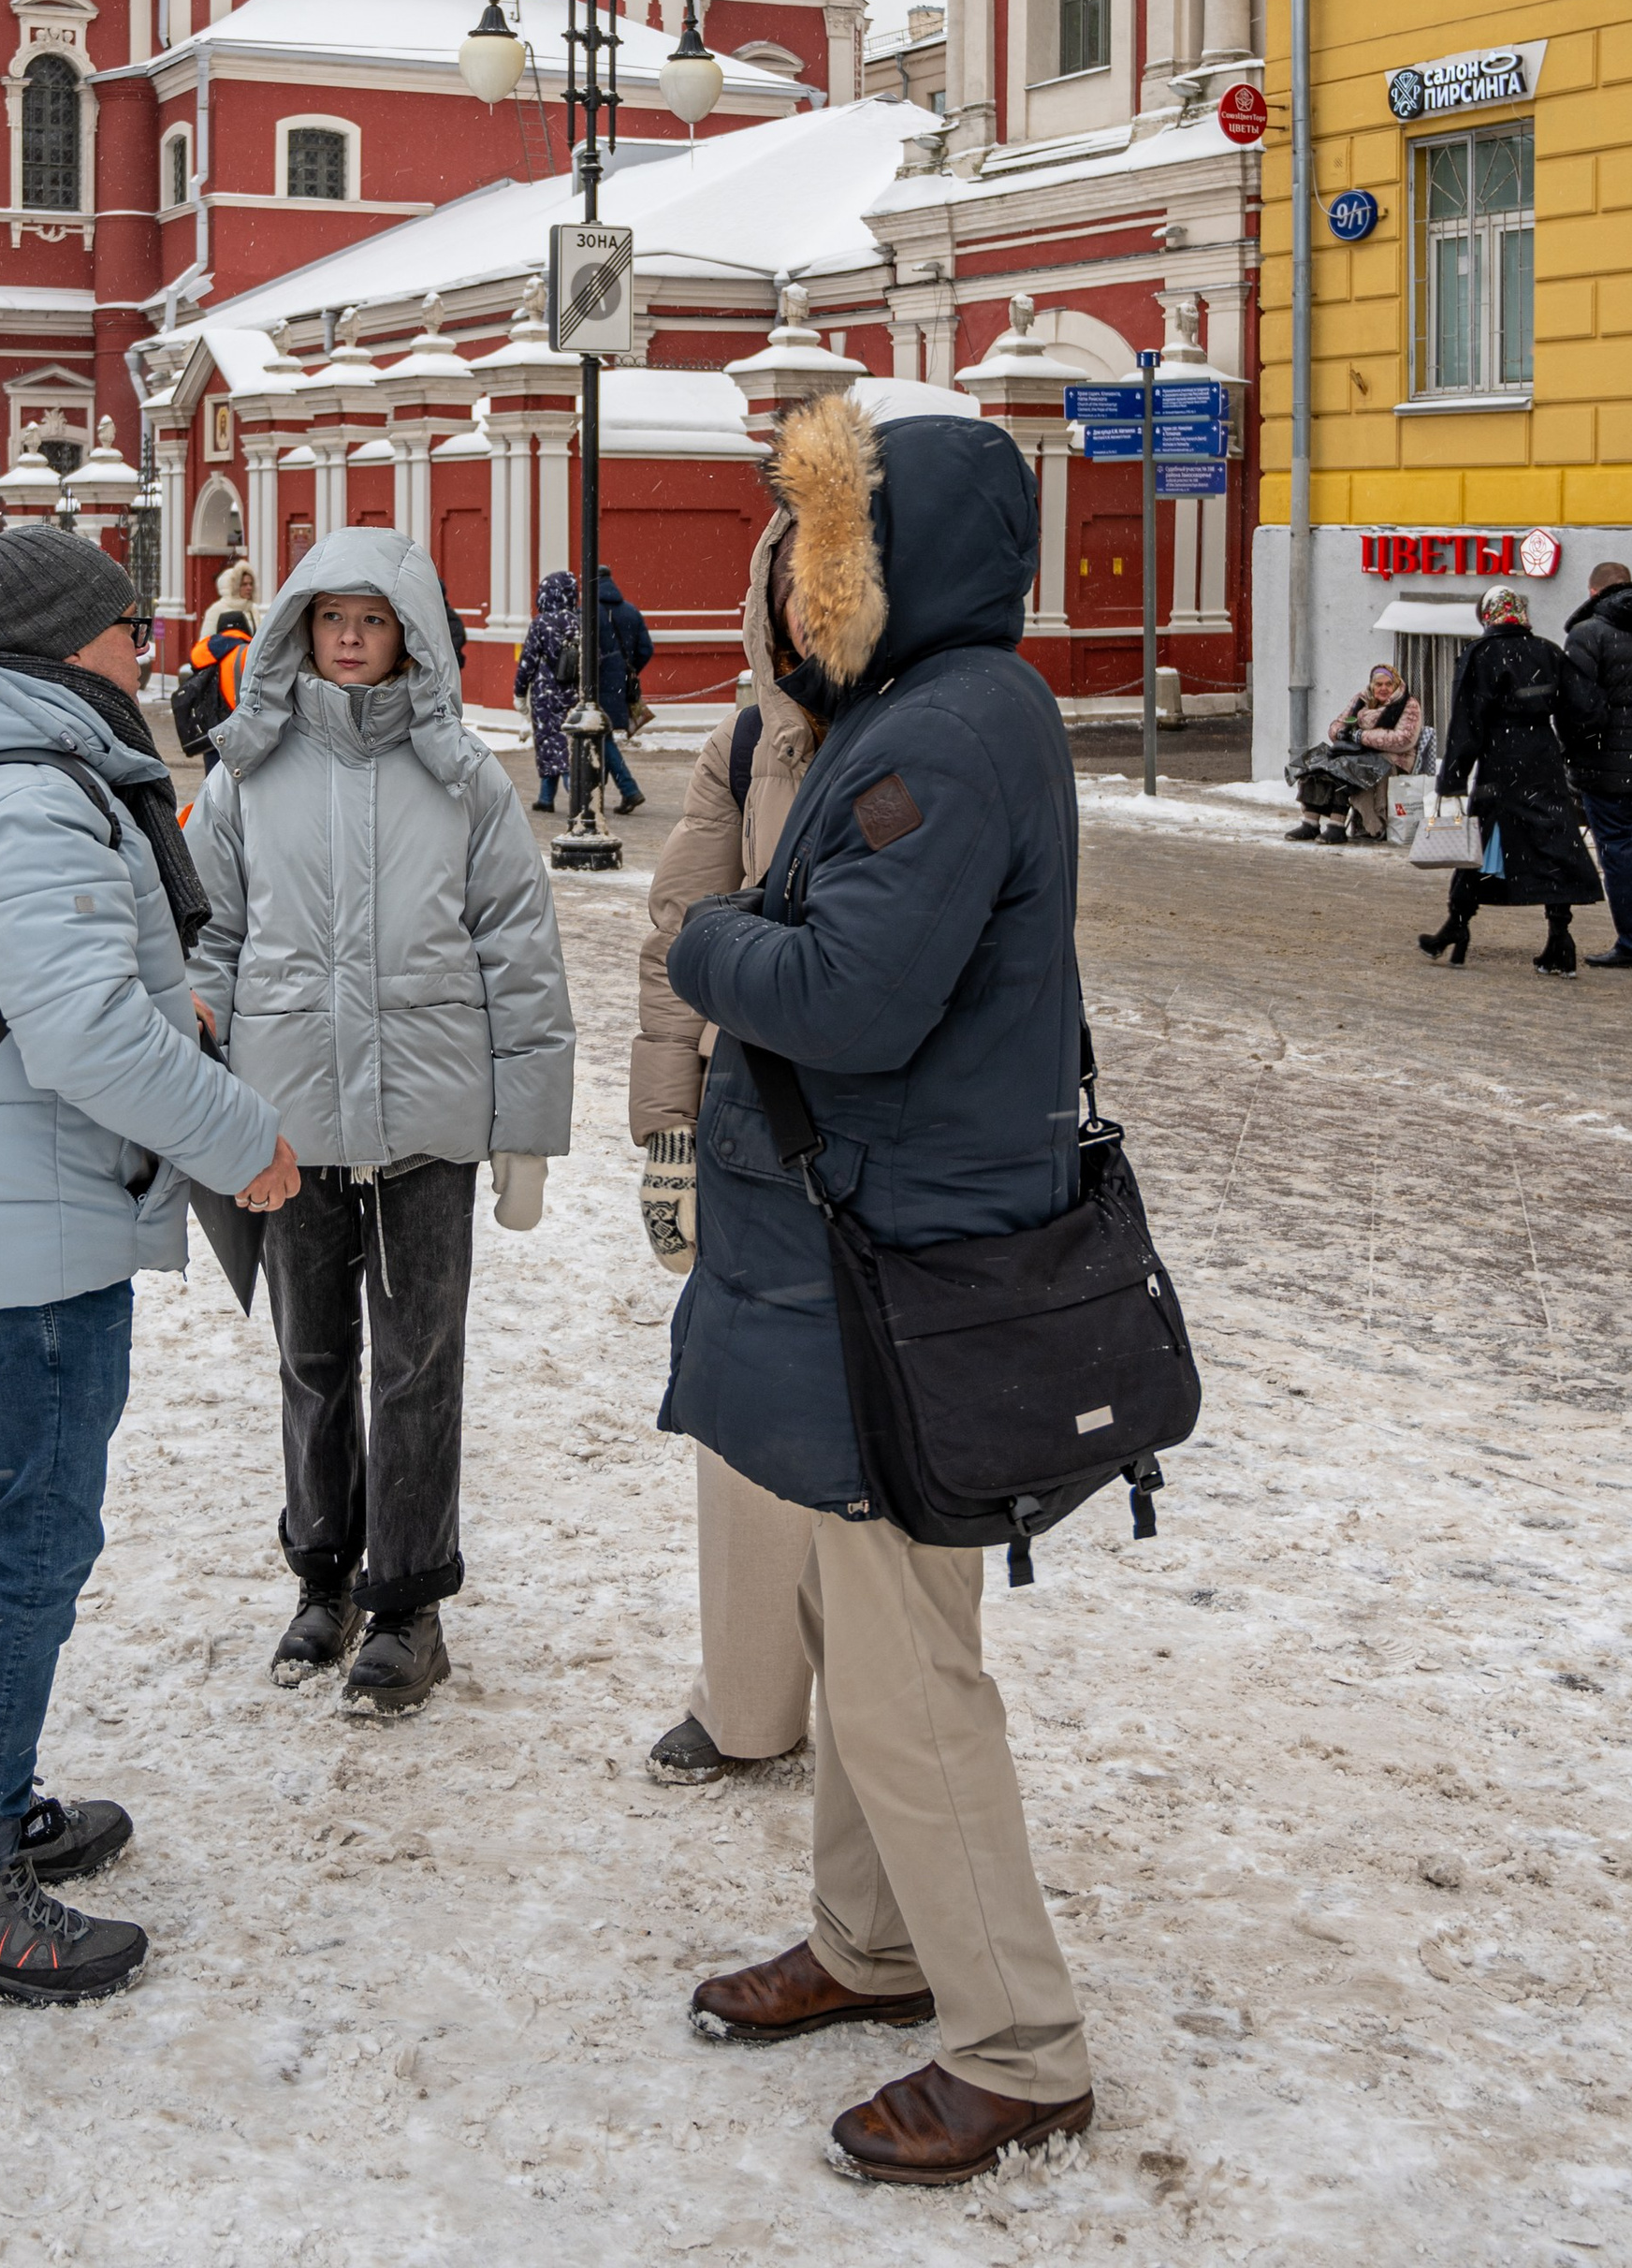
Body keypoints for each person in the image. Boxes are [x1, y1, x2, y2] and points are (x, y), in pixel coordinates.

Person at [660, 395, 1096, 2188]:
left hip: (896, 1256)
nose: (799, 584)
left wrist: (698, 939)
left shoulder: (959, 729)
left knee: (907, 1670)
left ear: (892, 565)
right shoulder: (913, 712)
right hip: (852, 1241)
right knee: (861, 1629)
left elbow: (844, 995)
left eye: (828, 549)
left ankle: (1019, 2046)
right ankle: (874, 1942)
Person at [0, 522, 297, 2008]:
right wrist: (243, 1138)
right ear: (66, 646)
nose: (150, 650)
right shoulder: (33, 802)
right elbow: (84, 1038)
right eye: (127, 628)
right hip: (18, 1245)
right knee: (23, 1547)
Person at [189, 528, 576, 1719]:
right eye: (329, 620)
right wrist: (199, 1071)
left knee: (417, 1364)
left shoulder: (462, 778)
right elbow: (207, 936)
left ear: (410, 634)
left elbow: (519, 951)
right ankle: (321, 1577)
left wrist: (529, 1129)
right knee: (311, 1356)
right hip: (287, 1120)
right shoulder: (245, 775)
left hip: (429, 1116)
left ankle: (407, 1601)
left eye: (372, 620)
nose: (350, 640)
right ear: (300, 630)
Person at [628, 506, 823, 1787]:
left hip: (890, 1143)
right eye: (791, 581)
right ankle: (748, 1701)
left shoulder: (941, 735)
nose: (813, 605)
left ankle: (882, 1715)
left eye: (840, 578)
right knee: (747, 1425)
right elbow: (678, 925)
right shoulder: (746, 740)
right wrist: (665, 1132)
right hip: (756, 1128)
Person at [1419, 582, 1603, 977]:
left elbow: (1466, 724)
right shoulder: (1549, 651)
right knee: (1553, 841)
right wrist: (1567, 749)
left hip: (1500, 762)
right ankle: (1560, 939)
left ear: (1488, 616)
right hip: (1543, 757)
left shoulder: (1481, 654)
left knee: (1481, 843)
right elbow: (1583, 709)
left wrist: (1451, 779)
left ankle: (1458, 924)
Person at [1564, 559, 1632, 968]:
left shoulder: (1587, 634)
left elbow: (1579, 709)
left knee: (1616, 849)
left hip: (1606, 765)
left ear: (1594, 593)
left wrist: (1573, 754)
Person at [1286, 663, 1421, 844]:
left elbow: (1403, 739)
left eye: (1388, 684)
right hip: (1359, 755)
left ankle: (1336, 825)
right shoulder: (1362, 700)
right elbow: (1338, 723)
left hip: (1393, 760)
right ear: (1372, 685)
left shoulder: (1408, 705)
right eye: (1378, 684)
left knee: (1346, 769)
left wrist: (1361, 736)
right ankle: (1310, 821)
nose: (1383, 688)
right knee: (1318, 763)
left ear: (1396, 685)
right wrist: (1341, 732)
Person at [515, 566, 579, 813]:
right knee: (567, 745)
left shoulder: (540, 623)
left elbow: (527, 662)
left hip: (545, 695)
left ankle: (566, 797)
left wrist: (520, 692)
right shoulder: (579, 621)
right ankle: (550, 797)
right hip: (571, 693)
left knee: (548, 744)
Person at [181, 563, 257, 762]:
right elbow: (205, 643)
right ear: (234, 586)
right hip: (221, 684)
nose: (248, 588)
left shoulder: (253, 609)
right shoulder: (218, 609)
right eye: (244, 584)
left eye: (250, 584)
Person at [595, 563, 653, 813]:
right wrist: (627, 671)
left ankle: (628, 789)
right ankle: (607, 792)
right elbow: (646, 649)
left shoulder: (588, 612)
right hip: (619, 685)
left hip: (594, 687)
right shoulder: (631, 611)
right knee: (602, 736)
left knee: (600, 736)